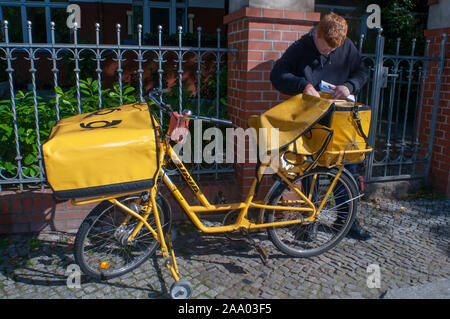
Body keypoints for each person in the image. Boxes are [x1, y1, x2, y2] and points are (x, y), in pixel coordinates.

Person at [270, 12, 371, 241]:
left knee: (347, 170)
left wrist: (350, 85)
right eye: (325, 49)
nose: (328, 53)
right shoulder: (301, 47)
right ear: (317, 33)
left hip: (341, 120)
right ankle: (310, 222)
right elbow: (276, 75)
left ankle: (347, 221)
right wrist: (303, 85)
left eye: (333, 51)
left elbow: (362, 71)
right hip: (312, 120)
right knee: (311, 173)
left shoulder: (345, 46)